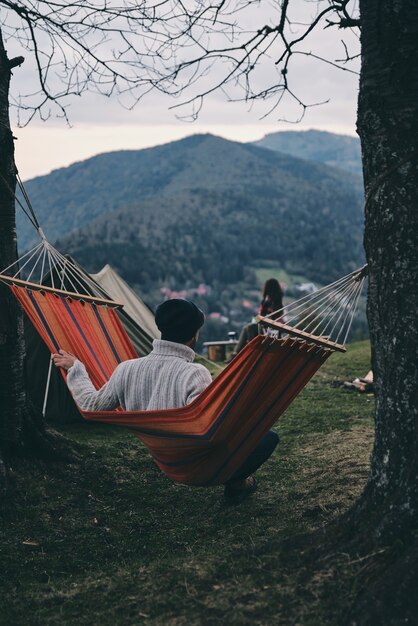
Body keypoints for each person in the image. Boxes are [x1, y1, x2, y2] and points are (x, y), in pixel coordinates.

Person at [52, 298, 278, 503]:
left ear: (161, 329)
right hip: (198, 465)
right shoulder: (194, 373)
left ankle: (239, 482)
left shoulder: (126, 369)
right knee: (266, 438)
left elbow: (90, 406)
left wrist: (77, 369)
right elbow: (211, 431)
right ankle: (238, 483)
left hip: (165, 461)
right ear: (193, 335)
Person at [234, 278, 284, 354]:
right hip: (264, 326)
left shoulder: (272, 303)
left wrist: (257, 320)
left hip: (269, 329)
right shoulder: (269, 301)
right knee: (246, 328)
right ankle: (236, 353)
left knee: (249, 327)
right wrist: (256, 320)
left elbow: (269, 316)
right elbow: (261, 315)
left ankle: (253, 352)